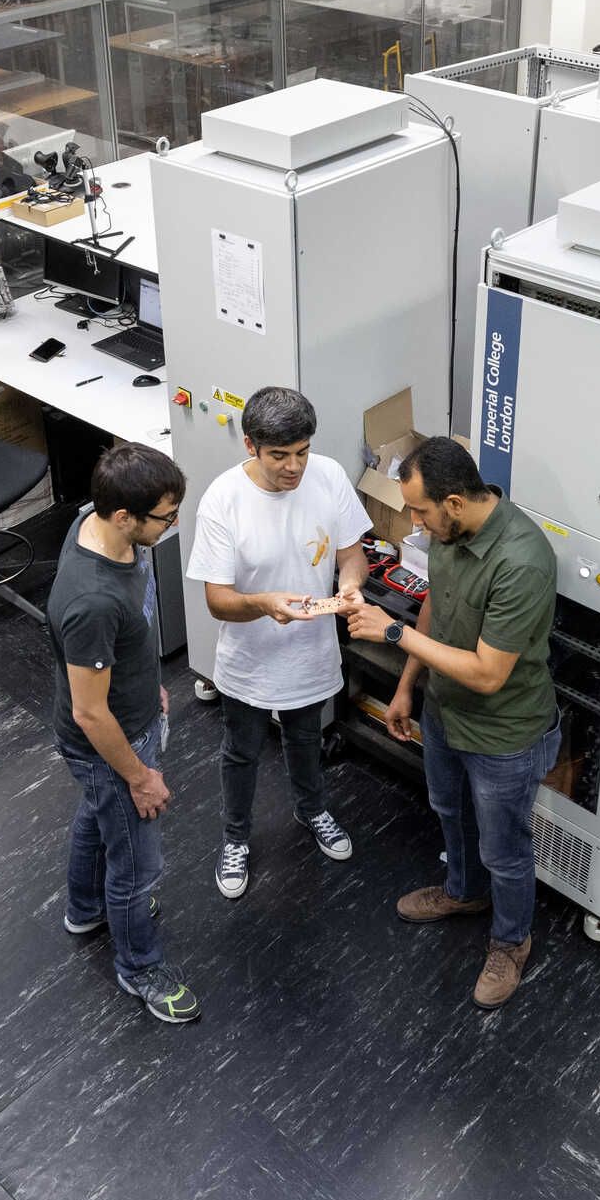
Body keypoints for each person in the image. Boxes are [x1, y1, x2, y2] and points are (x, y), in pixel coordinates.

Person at [347, 436, 559, 1010]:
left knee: (505, 850)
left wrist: (393, 634)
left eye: (420, 510)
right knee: (448, 810)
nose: (414, 522)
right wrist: (406, 686)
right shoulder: (447, 534)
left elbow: (490, 674)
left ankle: (511, 941)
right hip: (445, 713)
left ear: (456, 502)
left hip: (504, 735)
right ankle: (464, 894)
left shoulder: (522, 561)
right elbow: (436, 609)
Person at [185, 386, 365, 900]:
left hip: (310, 652)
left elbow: (353, 553)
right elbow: (217, 600)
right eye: (280, 456)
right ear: (250, 446)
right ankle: (235, 839)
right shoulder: (223, 499)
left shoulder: (328, 476)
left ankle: (312, 811)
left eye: (302, 452)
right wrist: (265, 604)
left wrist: (350, 584)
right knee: (240, 752)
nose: (294, 467)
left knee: (305, 739)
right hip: (250, 660)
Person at [51, 441, 199, 1024]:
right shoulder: (92, 599)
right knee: (137, 868)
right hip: (109, 742)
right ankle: (139, 968)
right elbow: (91, 714)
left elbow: (120, 648)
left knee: (97, 815)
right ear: (122, 516)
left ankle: (86, 909)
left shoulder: (97, 527)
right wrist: (139, 777)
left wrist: (149, 683)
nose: (173, 524)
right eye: (165, 516)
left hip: (129, 713)